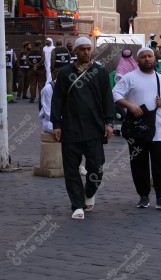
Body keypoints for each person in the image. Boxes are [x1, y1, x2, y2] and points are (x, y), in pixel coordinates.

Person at [50, 37, 115, 220]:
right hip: (70, 128)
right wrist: (56, 124)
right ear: (75, 52)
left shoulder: (100, 72)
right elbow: (58, 99)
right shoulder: (64, 73)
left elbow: (107, 98)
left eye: (89, 49)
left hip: (94, 128)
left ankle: (88, 193)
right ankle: (77, 205)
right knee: (71, 169)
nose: (86, 52)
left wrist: (109, 122)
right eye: (82, 49)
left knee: (97, 167)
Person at [112, 47, 161, 210]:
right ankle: (143, 195)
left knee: (159, 162)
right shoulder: (129, 78)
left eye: (149, 56)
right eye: (143, 57)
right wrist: (130, 106)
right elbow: (115, 94)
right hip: (138, 127)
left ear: (154, 59)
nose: (147, 59)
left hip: (159, 128)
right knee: (138, 162)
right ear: (138, 60)